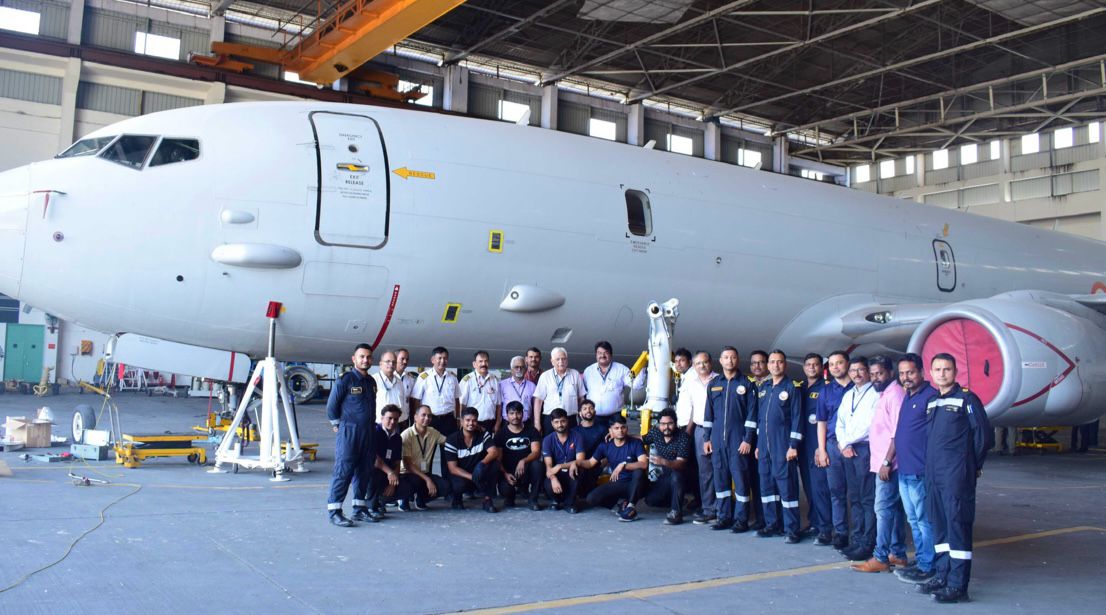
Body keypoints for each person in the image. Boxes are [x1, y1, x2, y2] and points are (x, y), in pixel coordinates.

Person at [916, 354, 993, 603]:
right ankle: (942, 575)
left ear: (955, 371)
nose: (942, 373)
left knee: (957, 526)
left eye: (946, 369)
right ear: (931, 372)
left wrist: (972, 465)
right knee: (939, 526)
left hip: (955, 476)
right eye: (937, 369)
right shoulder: (932, 402)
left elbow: (983, 436)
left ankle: (958, 585)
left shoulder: (967, 400)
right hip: (933, 475)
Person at [853, 356, 909, 572]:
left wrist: (886, 461)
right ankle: (898, 553)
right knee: (893, 510)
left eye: (880, 374)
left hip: (889, 465)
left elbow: (897, 434)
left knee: (883, 510)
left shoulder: (894, 396)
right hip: (883, 463)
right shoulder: (884, 394)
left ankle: (881, 557)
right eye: (873, 374)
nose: (876, 378)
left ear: (890, 373)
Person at [891, 353, 938, 585]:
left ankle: (929, 565)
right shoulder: (908, 397)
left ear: (921, 372)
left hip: (920, 471)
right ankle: (921, 561)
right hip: (905, 470)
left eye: (910, 372)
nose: (905, 377)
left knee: (924, 520)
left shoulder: (931, 397)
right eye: (901, 374)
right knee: (913, 519)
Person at [702, 346, 757, 533]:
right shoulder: (714, 384)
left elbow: (752, 415)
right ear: (721, 360)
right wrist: (706, 439)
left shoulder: (747, 384)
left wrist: (747, 439)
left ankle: (741, 519)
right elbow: (708, 414)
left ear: (737, 359)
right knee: (720, 481)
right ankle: (723, 517)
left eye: (733, 357)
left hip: (738, 441)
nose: (730, 361)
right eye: (726, 357)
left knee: (741, 481)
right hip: (717, 441)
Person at [326, 343, 378, 527]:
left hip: (369, 433)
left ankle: (359, 508)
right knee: (344, 471)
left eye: (368, 357)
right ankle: (334, 511)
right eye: (362, 356)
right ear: (354, 359)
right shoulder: (345, 380)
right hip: (350, 432)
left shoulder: (371, 382)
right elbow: (332, 407)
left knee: (364, 472)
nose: (365, 360)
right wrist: (338, 426)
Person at [755, 350, 803, 543]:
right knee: (766, 487)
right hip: (764, 446)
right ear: (768, 366)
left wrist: (793, 445)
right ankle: (771, 524)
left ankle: (791, 529)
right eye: (772, 362)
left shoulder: (792, 387)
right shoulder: (764, 387)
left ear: (785, 365)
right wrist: (758, 445)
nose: (775, 365)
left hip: (783, 445)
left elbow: (798, 418)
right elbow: (760, 418)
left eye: (779, 362)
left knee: (787, 488)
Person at [835, 356, 879, 561]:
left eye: (861, 370)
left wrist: (848, 442)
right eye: (853, 371)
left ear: (868, 372)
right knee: (854, 498)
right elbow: (840, 422)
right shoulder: (848, 395)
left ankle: (868, 543)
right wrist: (844, 444)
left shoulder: (875, 394)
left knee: (867, 498)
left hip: (865, 448)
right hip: (848, 449)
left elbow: (870, 424)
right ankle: (857, 539)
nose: (856, 374)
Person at [816, 350, 854, 549]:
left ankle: (861, 534)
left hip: (856, 447)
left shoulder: (859, 388)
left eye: (839, 363)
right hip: (832, 445)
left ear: (847, 364)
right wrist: (821, 450)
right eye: (832, 364)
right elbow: (821, 422)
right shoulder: (826, 391)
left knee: (857, 494)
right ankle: (841, 532)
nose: (836, 367)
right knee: (836, 492)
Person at [677, 351, 719, 525]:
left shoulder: (719, 381)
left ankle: (724, 509)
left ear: (711, 362)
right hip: (700, 430)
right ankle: (709, 509)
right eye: (698, 363)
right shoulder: (692, 382)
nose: (702, 366)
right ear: (694, 366)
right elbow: (693, 407)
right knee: (705, 472)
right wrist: (689, 430)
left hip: (718, 430)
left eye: (705, 362)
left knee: (722, 470)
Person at [583, 415, 649, 521]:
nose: (620, 431)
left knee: (639, 472)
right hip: (619, 483)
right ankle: (620, 506)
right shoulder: (605, 446)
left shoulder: (636, 443)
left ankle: (630, 507)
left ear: (627, 428)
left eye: (623, 427)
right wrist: (573, 463)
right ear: (610, 430)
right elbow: (590, 463)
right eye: (616, 428)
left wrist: (624, 465)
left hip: (636, 483)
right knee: (591, 498)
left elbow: (644, 464)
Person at [800, 353, 833, 545]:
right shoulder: (800, 388)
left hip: (817, 445)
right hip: (803, 445)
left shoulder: (825, 388)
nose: (812, 368)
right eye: (809, 364)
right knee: (809, 488)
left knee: (821, 487)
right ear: (804, 367)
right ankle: (814, 523)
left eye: (816, 365)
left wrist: (823, 447)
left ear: (821, 368)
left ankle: (825, 528)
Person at [443, 407, 501, 513]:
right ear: (461, 421)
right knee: (458, 484)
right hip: (462, 474)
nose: (471, 423)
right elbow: (453, 468)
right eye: (468, 420)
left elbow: (494, 452)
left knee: (495, 465)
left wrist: (481, 464)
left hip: (478, 470)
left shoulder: (483, 434)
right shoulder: (452, 439)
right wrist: (473, 477)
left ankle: (487, 500)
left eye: (474, 420)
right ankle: (457, 499)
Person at [642, 408, 693, 524]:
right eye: (663, 424)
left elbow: (681, 464)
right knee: (650, 500)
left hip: (682, 476)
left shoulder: (683, 437)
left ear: (675, 423)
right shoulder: (656, 433)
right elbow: (641, 439)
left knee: (676, 474)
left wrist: (664, 462)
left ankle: (676, 512)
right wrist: (620, 435)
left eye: (670, 423)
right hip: (666, 476)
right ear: (659, 424)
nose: (666, 427)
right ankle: (678, 500)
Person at [399, 404, 450, 510]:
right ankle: (403, 497)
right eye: (423, 415)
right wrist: (428, 480)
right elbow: (408, 465)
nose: (427, 418)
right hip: (407, 474)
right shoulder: (406, 435)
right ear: (415, 417)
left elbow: (449, 442)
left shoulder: (433, 432)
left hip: (424, 473)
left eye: (429, 416)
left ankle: (421, 498)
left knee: (445, 486)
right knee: (416, 480)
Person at [494, 401, 543, 510]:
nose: (515, 416)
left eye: (518, 413)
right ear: (506, 415)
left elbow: (536, 452)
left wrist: (523, 461)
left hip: (526, 469)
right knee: (505, 489)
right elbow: (498, 459)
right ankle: (510, 497)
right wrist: (505, 474)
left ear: (523, 414)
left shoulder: (532, 430)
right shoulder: (501, 434)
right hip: (509, 471)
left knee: (538, 465)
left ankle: (533, 499)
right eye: (512, 413)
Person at [582, 341, 640, 428]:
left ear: (611, 355)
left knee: (616, 440)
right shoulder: (588, 371)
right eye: (599, 353)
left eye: (606, 353)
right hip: (594, 417)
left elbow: (635, 385)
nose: (602, 356)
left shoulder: (621, 369)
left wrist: (642, 370)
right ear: (596, 355)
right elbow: (584, 393)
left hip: (615, 417)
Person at [541, 408, 586, 512]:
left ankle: (569, 503)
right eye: (556, 422)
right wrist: (553, 478)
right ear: (552, 424)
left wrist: (560, 466)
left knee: (578, 470)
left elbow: (580, 460)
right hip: (556, 474)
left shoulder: (577, 437)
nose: (560, 424)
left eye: (563, 421)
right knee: (547, 480)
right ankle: (555, 501)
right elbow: (548, 465)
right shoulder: (547, 440)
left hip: (571, 471)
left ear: (567, 421)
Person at [533, 347, 587, 434]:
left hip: (570, 419)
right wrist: (537, 423)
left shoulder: (575, 374)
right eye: (557, 359)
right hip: (550, 420)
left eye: (563, 359)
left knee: (571, 445)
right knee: (550, 445)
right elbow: (538, 401)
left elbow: (581, 399)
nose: (561, 362)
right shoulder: (545, 376)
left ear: (567, 360)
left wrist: (583, 418)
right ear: (552, 361)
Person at [367, 404, 408, 516]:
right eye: (389, 418)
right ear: (381, 418)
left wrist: (392, 484)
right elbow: (374, 459)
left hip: (388, 473)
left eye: (395, 419)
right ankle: (370, 507)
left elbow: (397, 462)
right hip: (372, 471)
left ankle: (381, 502)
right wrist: (390, 473)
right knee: (374, 476)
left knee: (407, 485)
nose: (392, 421)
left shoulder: (397, 438)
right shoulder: (374, 432)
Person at [411, 347, 460, 437]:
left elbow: (457, 399)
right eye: (440, 358)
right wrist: (417, 418)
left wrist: (458, 418)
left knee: (449, 449)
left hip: (448, 419)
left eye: (445, 358)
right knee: (428, 450)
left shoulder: (453, 378)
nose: (442, 361)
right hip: (429, 419)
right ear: (433, 360)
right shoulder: (424, 377)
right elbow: (416, 400)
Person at [572, 399, 607, 497]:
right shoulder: (574, 431)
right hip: (579, 464)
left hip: (596, 464)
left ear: (595, 412)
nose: (588, 411)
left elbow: (608, 448)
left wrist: (603, 463)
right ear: (580, 413)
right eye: (585, 409)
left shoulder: (602, 429)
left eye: (591, 408)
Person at [459, 350, 500, 433]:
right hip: (472, 424)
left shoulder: (494, 380)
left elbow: (498, 405)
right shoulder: (467, 380)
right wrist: (462, 422)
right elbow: (461, 404)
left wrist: (498, 423)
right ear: (474, 364)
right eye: (480, 361)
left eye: (486, 361)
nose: (483, 364)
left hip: (490, 424)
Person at [497, 356, 535, 433]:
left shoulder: (532, 386)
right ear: (511, 369)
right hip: (507, 424)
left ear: (526, 369)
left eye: (522, 367)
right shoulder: (502, 385)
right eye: (516, 367)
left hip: (527, 424)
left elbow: (535, 407)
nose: (519, 369)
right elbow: (499, 406)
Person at [373, 350, 409, 424]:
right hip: (380, 424)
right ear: (380, 364)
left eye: (394, 362)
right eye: (388, 361)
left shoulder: (399, 382)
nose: (391, 364)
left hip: (398, 423)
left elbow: (403, 404)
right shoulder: (373, 380)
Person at [396, 348, 417, 419]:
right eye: (402, 359)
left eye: (407, 359)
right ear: (395, 358)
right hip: (391, 419)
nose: (405, 362)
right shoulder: (389, 377)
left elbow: (412, 401)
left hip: (405, 419)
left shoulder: (410, 379)